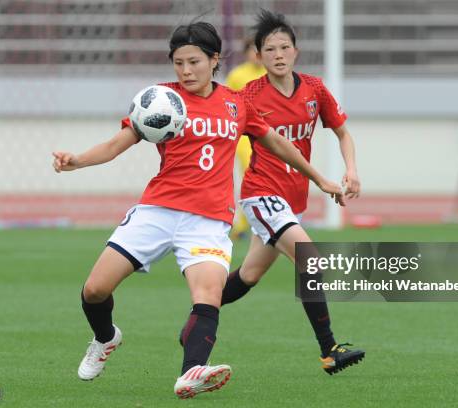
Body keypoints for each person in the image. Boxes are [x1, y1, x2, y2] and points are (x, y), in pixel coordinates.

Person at [52, 20, 343, 399]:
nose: (186, 71)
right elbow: (117, 143)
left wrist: (319, 178)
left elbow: (276, 143)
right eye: (178, 63)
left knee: (208, 295)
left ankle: (191, 373)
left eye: (194, 62)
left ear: (214, 59)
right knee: (94, 290)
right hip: (158, 210)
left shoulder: (237, 104)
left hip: (208, 220)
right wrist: (77, 160)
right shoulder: (160, 100)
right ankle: (106, 338)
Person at [220, 9, 365, 375]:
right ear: (259, 55)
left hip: (293, 200)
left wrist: (351, 169)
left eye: (285, 47)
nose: (279, 54)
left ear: (296, 51)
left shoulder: (314, 89)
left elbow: (343, 132)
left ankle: (199, 317)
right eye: (270, 49)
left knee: (249, 275)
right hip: (262, 194)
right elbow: (222, 138)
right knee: (310, 258)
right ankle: (329, 349)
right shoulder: (248, 95)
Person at [226, 37, 267, 240]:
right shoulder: (237, 75)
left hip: (269, 133)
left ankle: (272, 217)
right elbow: (228, 103)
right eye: (252, 50)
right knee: (248, 175)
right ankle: (242, 224)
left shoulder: (271, 74)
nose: (256, 54)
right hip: (244, 134)